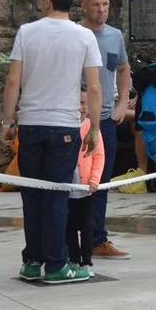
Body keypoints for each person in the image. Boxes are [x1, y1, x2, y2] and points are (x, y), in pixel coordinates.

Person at [2, 0, 103, 284]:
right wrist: (94, 128)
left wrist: (7, 121)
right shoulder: (84, 36)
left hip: (31, 124)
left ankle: (33, 261)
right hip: (65, 126)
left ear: (47, 0)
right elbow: (94, 87)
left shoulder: (27, 32)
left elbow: (12, 80)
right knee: (57, 197)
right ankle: (57, 264)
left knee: (32, 195)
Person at [79, 0, 132, 260]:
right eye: (96, 4)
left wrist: (123, 102)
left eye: (106, 4)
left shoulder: (115, 35)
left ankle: (97, 238)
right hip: (78, 119)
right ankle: (72, 238)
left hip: (106, 119)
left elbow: (123, 68)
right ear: (84, 6)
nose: (101, 10)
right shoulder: (76, 34)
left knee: (101, 181)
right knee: (76, 181)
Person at [66, 93, 104, 269]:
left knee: (87, 226)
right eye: (80, 103)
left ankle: (87, 260)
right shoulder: (65, 127)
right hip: (67, 188)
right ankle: (73, 259)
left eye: (86, 103)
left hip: (86, 188)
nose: (83, 107)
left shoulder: (92, 128)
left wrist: (94, 179)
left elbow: (99, 156)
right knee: (69, 226)